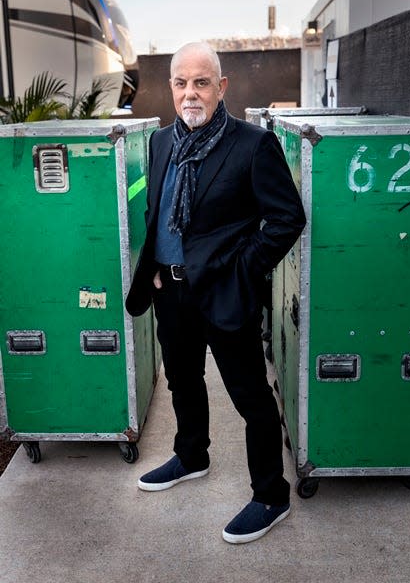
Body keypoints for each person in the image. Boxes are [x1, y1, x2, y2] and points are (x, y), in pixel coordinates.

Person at [126, 42, 306, 544]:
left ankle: (271, 495)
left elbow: (287, 218)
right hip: (172, 293)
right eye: (181, 82)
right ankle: (191, 455)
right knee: (183, 381)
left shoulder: (252, 145)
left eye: (201, 82)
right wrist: (159, 266)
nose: (190, 93)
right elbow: (157, 211)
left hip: (226, 293)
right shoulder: (161, 142)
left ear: (221, 86)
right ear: (171, 88)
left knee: (250, 397)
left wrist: (242, 270)